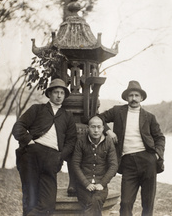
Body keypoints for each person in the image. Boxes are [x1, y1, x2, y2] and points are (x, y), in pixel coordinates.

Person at [99, 80, 165, 216]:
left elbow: (160, 138)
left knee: (148, 203)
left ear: (141, 98)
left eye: (136, 95)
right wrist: (108, 131)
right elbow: (98, 118)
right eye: (131, 95)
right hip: (127, 161)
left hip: (148, 160)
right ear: (126, 97)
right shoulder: (118, 111)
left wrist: (157, 155)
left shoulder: (149, 117)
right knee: (126, 203)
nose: (134, 98)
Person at [12, 78, 77, 216]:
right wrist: (29, 142)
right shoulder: (37, 109)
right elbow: (18, 127)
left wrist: (60, 156)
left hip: (52, 158)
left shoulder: (67, 116)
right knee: (30, 198)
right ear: (49, 94)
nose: (59, 96)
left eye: (62, 93)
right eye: (56, 92)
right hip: (32, 154)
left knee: (48, 205)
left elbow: (71, 141)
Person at [72, 115, 118, 216]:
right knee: (89, 201)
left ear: (103, 128)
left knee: (96, 200)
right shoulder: (81, 141)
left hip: (101, 184)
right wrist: (86, 183)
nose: (96, 130)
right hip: (83, 185)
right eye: (93, 127)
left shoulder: (108, 142)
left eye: (99, 127)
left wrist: (102, 183)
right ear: (88, 128)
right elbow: (75, 164)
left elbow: (113, 165)